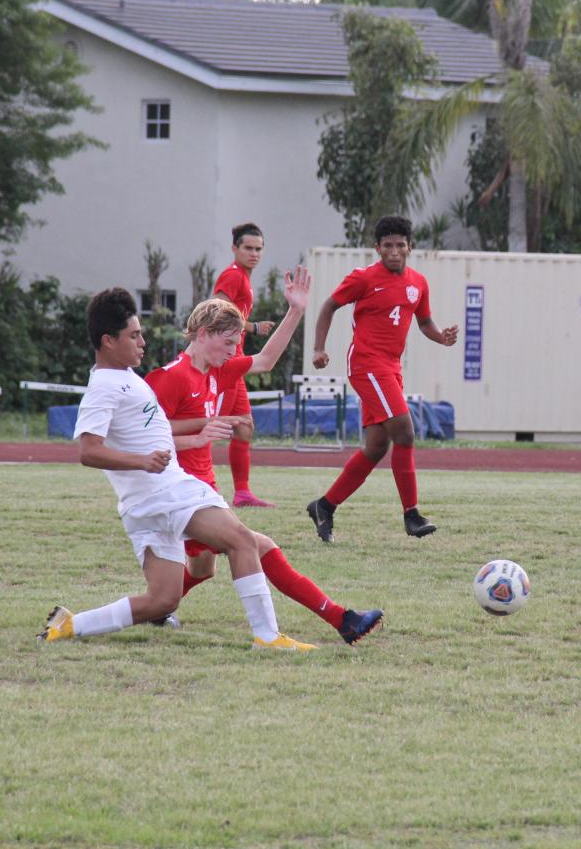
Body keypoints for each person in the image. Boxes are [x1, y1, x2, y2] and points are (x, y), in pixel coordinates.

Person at [39, 287, 316, 651]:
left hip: (144, 503)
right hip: (164, 492)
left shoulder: (127, 378)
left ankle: (70, 625)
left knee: (163, 600)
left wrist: (199, 433)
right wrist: (143, 461)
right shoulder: (104, 387)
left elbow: (154, 432)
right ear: (108, 341)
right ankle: (267, 637)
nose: (143, 342)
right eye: (134, 335)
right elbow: (89, 451)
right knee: (243, 541)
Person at [147, 273, 384, 645]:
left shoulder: (218, 370)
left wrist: (295, 310)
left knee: (203, 568)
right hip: (177, 495)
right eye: (228, 343)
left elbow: (267, 359)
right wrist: (199, 434)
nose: (232, 352)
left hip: (201, 490)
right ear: (203, 332)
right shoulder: (171, 378)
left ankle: (154, 610)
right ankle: (341, 620)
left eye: (235, 344)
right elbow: (148, 441)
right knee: (259, 545)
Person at [304, 215, 458, 543]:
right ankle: (412, 515)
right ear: (377, 248)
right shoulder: (363, 278)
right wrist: (319, 348)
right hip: (366, 364)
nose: (393, 251)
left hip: (391, 368)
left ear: (410, 247)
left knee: (376, 448)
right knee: (405, 432)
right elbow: (329, 306)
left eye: (400, 245)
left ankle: (324, 506)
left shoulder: (418, 282)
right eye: (386, 245)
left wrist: (440, 336)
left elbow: (424, 321)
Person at [211, 222, 275, 507]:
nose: (254, 254)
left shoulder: (242, 277)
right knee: (209, 425)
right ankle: (197, 483)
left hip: (235, 361)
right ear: (234, 248)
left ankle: (243, 493)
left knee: (244, 426)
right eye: (248, 248)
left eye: (258, 249)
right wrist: (253, 327)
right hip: (226, 362)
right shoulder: (233, 275)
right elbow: (216, 311)